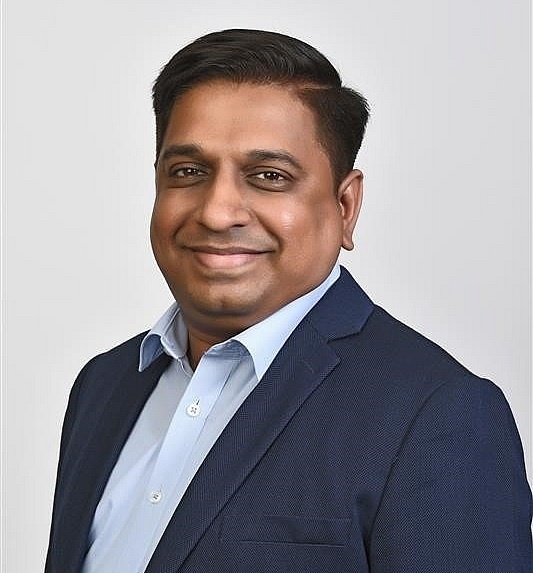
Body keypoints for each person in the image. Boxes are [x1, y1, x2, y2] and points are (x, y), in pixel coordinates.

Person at [45, 29, 532, 573]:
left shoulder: (438, 415)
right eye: (188, 172)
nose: (217, 212)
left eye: (269, 177)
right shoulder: (104, 384)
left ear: (345, 206)